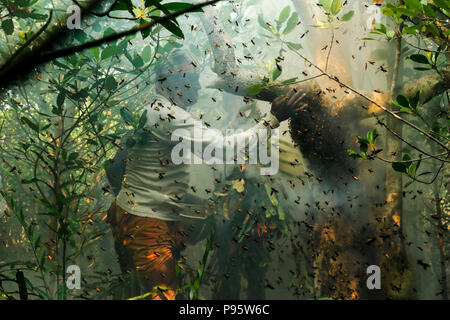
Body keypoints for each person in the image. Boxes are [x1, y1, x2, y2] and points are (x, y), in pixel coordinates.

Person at [106, 50, 303, 300]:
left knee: (212, 227)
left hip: (144, 215)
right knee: (162, 296)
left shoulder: (155, 110)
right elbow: (221, 149)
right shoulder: (169, 116)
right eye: (189, 78)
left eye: (196, 77)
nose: (197, 86)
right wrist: (272, 119)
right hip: (147, 223)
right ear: (166, 83)